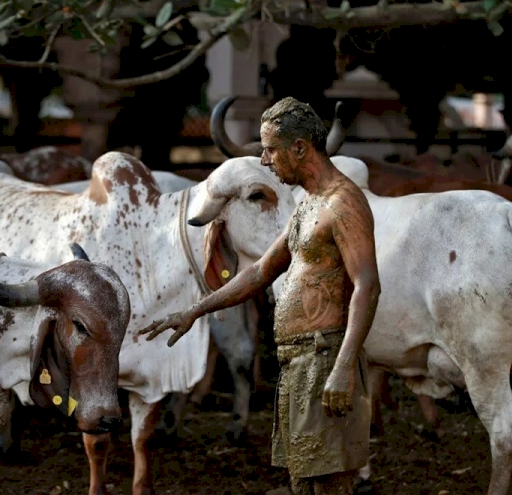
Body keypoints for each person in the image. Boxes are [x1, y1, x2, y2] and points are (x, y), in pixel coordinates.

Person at [140, 97, 381, 494]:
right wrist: (195, 310)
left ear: (300, 149)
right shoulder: (308, 204)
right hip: (297, 363)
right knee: (303, 482)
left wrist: (342, 367)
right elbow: (260, 270)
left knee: (329, 484)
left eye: (270, 149)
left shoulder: (343, 203)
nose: (265, 160)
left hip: (325, 358)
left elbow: (367, 286)